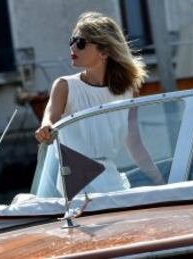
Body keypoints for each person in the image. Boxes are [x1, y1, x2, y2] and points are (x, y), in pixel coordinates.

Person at [34, 12, 165, 194]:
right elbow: (49, 117)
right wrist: (45, 128)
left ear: (104, 52)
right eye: (72, 40)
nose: (73, 47)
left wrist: (161, 181)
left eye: (80, 43)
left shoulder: (128, 91)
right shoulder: (64, 85)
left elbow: (134, 143)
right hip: (74, 182)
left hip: (110, 180)